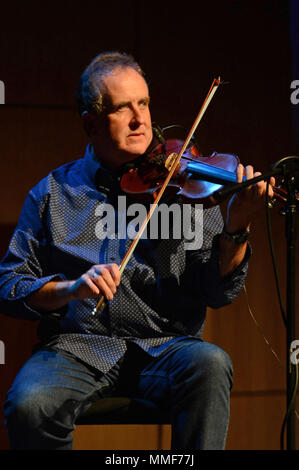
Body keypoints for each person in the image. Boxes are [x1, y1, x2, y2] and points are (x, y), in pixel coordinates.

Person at [0, 51, 274, 450]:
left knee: (211, 364)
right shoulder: (54, 194)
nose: (140, 119)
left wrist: (238, 226)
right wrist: (72, 288)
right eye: (122, 108)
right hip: (77, 347)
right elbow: (9, 284)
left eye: (143, 103)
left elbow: (217, 291)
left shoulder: (184, 186)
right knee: (29, 404)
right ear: (90, 123)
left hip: (167, 347)